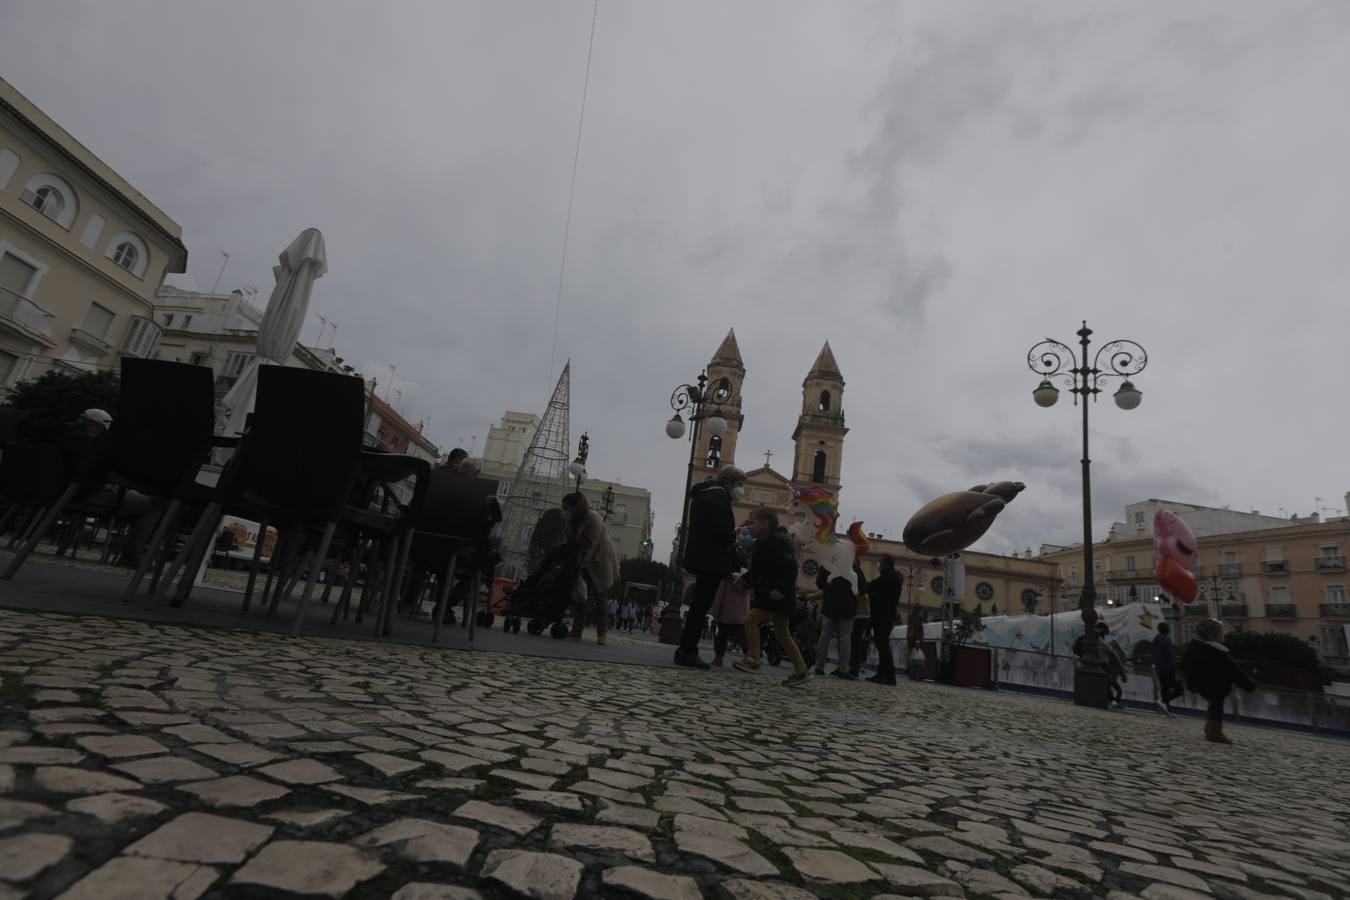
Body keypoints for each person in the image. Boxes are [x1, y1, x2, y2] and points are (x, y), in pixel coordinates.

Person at [36, 408, 162, 568]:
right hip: (84, 493)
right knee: (153, 506)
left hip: (57, 490)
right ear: (93, 424)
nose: (102, 434)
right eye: (102, 429)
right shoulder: (83, 441)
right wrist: (139, 486)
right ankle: (131, 557)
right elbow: (101, 472)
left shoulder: (59, 434)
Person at [676, 466, 747, 668]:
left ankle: (686, 649)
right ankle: (688, 651)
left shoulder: (707, 494)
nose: (741, 489)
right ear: (729, 482)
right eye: (740, 484)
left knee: (698, 605)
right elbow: (722, 532)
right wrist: (737, 535)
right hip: (710, 560)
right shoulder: (718, 498)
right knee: (700, 607)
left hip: (703, 557)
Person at [733, 508, 808, 686]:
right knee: (783, 634)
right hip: (772, 595)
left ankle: (754, 658)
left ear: (765, 524)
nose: (749, 527)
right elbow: (759, 571)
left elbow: (790, 568)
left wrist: (780, 589)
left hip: (776, 595)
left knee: (750, 620)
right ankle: (801, 669)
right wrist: (744, 580)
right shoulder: (762, 543)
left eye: (752, 523)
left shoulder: (777, 543)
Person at [1183, 618, 1256, 744]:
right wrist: (1250, 685)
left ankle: (1210, 728)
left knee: (1213, 704)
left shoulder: (1194, 648)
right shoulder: (1219, 652)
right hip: (1215, 684)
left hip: (1197, 682)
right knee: (1216, 704)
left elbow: (1183, 664)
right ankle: (1215, 732)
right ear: (1217, 634)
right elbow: (1234, 671)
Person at [561, 492, 620, 645]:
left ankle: (602, 634)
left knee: (601, 596)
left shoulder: (593, 517)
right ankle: (577, 630)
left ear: (576, 507)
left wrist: (581, 563)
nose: (565, 510)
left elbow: (593, 543)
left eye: (567, 508)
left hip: (600, 559)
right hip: (585, 558)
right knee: (582, 595)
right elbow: (569, 538)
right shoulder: (575, 520)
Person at [812, 566, 859, 679]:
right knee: (845, 637)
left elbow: (819, 583)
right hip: (847, 607)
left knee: (825, 635)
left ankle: (819, 665)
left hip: (830, 604)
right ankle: (843, 669)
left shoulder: (827, 564)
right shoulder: (852, 566)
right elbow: (862, 587)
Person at [867, 555, 903, 685]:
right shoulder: (893, 577)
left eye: (880, 562)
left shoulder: (888, 577)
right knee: (881, 645)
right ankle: (882, 674)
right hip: (887, 615)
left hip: (883, 616)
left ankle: (889, 675)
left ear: (885, 564)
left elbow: (872, 586)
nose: (879, 565)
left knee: (883, 645)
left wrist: (870, 593)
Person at [710, 569, 751, 667]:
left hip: (726, 613)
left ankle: (718, 658)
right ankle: (750, 657)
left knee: (721, 636)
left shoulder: (727, 578)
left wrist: (715, 612)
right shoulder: (747, 577)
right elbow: (748, 598)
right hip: (742, 614)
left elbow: (720, 595)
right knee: (743, 637)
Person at [1152, 621, 1183, 716]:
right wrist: (1176, 670)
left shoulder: (1155, 640)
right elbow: (1171, 657)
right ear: (1166, 630)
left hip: (1159, 668)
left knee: (1164, 689)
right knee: (1179, 689)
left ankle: (1167, 709)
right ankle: (1164, 702)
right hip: (1168, 669)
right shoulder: (1166, 641)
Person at [848, 560, 872, 678]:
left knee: (851, 641)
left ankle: (851, 667)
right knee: (856, 641)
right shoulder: (864, 579)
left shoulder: (853, 578)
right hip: (863, 614)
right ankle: (853, 668)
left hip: (856, 613)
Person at [905, 604, 926, 680]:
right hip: (916, 640)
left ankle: (912, 673)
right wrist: (919, 639)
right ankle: (916, 674)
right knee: (918, 657)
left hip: (911, 640)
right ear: (918, 611)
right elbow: (918, 631)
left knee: (912, 656)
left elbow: (910, 630)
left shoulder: (911, 618)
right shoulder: (917, 619)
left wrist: (908, 638)